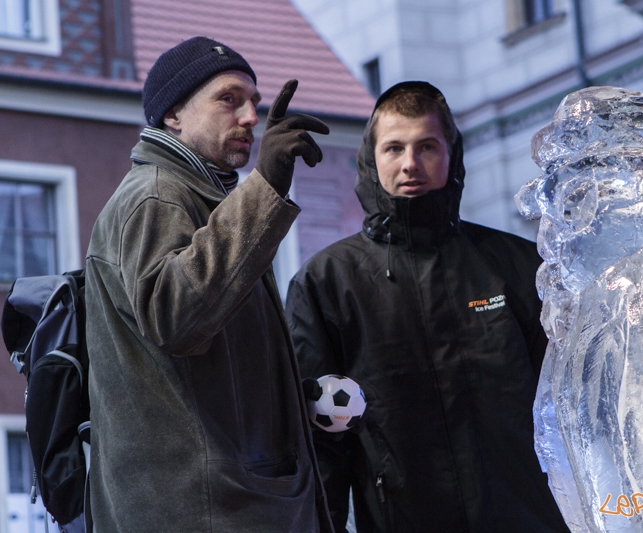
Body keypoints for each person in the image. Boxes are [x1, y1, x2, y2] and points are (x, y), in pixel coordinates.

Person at [285, 81, 569, 532]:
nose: (410, 164)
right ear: (370, 158)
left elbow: (568, 409)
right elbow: (319, 447)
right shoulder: (328, 283)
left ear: (452, 155)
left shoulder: (518, 267)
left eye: (427, 147)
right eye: (394, 148)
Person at [85, 36, 333, 532]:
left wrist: (284, 393)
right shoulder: (157, 196)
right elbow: (176, 318)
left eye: (253, 104)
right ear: (174, 114)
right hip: (207, 511)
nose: (249, 118)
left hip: (227, 505)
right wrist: (266, 185)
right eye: (228, 99)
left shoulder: (206, 200)